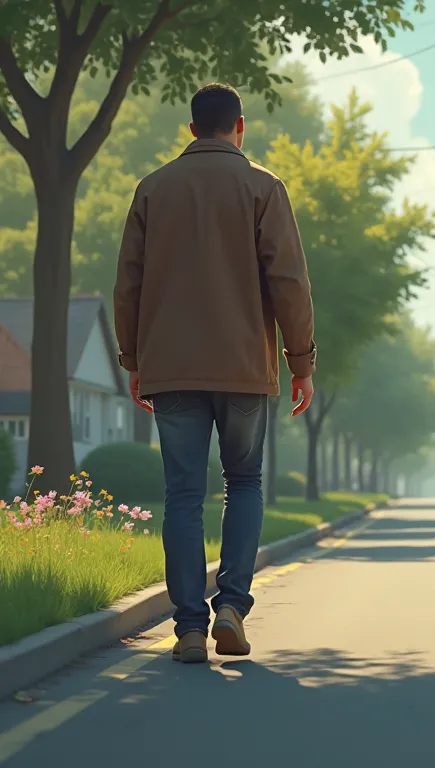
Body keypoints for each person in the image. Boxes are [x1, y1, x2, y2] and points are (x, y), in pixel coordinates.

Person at [113, 83, 317, 664]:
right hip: (245, 367)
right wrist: (300, 363)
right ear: (240, 127)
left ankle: (186, 628)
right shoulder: (264, 188)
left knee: (182, 493)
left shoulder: (151, 191)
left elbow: (128, 283)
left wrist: (133, 358)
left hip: (172, 367)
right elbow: (290, 284)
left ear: (191, 129)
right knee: (244, 482)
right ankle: (231, 606)